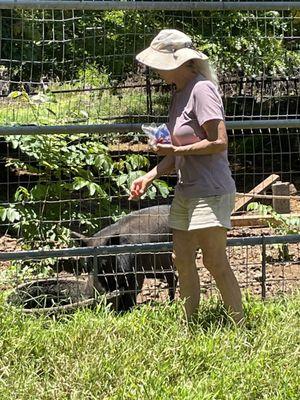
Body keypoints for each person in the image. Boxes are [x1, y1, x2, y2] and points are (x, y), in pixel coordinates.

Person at [129, 29, 244, 324]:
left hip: (211, 189)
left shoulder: (202, 89)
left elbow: (219, 141)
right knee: (181, 259)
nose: (154, 68)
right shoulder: (179, 92)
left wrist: (179, 148)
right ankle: (189, 324)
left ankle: (240, 326)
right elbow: (178, 150)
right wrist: (150, 175)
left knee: (214, 261)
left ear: (178, 61)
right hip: (187, 190)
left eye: (159, 62)